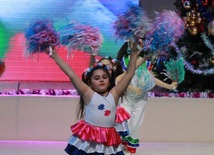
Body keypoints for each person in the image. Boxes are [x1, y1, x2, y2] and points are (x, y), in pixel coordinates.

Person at [45, 43, 138, 155]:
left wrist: (133, 53)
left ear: (109, 80)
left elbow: (129, 74)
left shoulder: (114, 93)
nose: (101, 80)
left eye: (104, 77)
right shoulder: (88, 93)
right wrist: (55, 55)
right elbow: (71, 74)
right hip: (90, 138)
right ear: (89, 82)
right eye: (96, 78)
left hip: (108, 139)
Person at [116, 41, 178, 155]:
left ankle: (129, 149)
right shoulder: (125, 60)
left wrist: (169, 86)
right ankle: (118, 147)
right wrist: (133, 89)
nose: (139, 45)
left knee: (136, 124)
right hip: (127, 98)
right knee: (124, 121)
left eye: (141, 43)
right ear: (130, 45)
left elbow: (151, 78)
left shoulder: (146, 62)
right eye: (135, 43)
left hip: (141, 98)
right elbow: (122, 78)